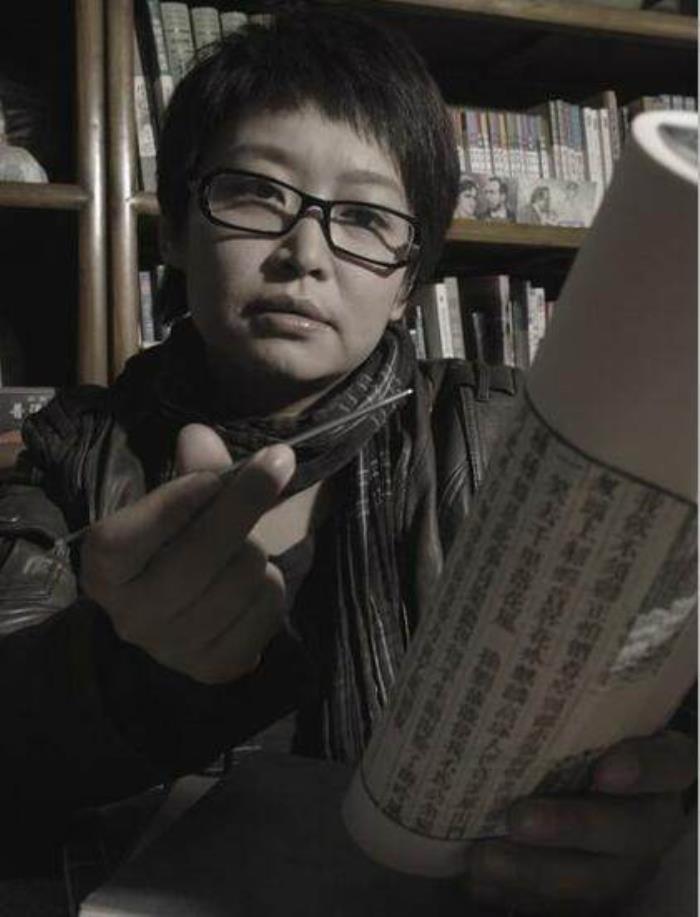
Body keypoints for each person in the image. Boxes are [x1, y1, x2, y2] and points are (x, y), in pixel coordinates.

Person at [0, 7, 694, 913]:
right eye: (256, 193)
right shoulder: (66, 449)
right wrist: (127, 670)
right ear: (173, 228)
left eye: (365, 217)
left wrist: (658, 809)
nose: (305, 254)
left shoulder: (513, 436)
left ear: (408, 280)